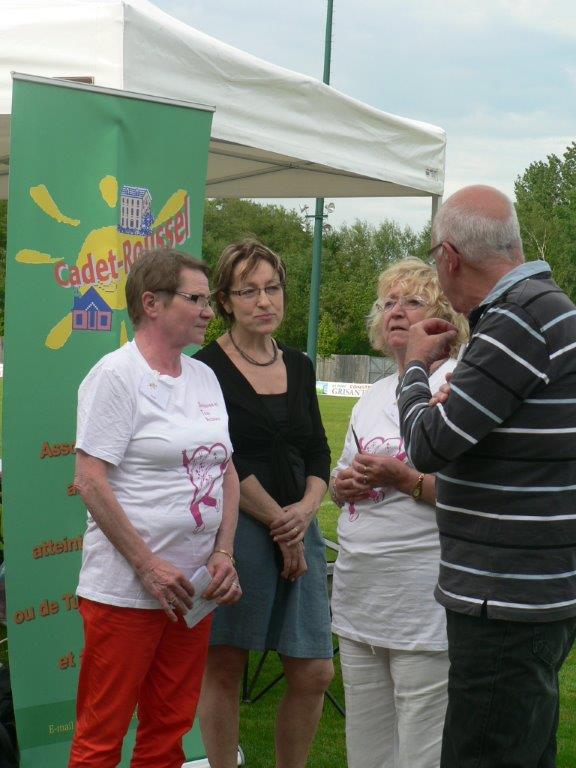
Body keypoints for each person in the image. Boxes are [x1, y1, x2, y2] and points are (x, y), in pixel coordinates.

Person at [397, 185, 576, 768]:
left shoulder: (517, 321)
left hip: (502, 597)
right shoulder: (549, 308)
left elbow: (427, 445)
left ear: (449, 257)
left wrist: (415, 371)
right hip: (536, 589)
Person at [68, 249, 241, 768]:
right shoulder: (115, 376)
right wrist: (147, 565)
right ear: (152, 304)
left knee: (168, 730)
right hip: (126, 592)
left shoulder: (203, 376)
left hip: (190, 591)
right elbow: (90, 479)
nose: (209, 311)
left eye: (208, 300)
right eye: (196, 299)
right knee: (102, 736)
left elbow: (226, 471)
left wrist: (224, 552)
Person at [195, 238, 334, 768]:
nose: (264, 300)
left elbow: (317, 449)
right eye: (248, 290)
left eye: (272, 287)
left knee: (314, 670)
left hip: (299, 520)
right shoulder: (205, 368)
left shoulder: (299, 365)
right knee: (225, 664)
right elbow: (219, 456)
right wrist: (280, 522)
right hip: (240, 528)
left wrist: (304, 512)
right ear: (226, 301)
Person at [329, 258, 468, 768]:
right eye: (388, 302)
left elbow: (471, 492)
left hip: (423, 602)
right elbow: (340, 481)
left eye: (412, 301)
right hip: (361, 596)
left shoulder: (457, 384)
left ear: (442, 318)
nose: (396, 312)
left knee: (421, 753)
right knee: (365, 752)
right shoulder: (373, 395)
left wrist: (402, 479)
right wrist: (342, 485)